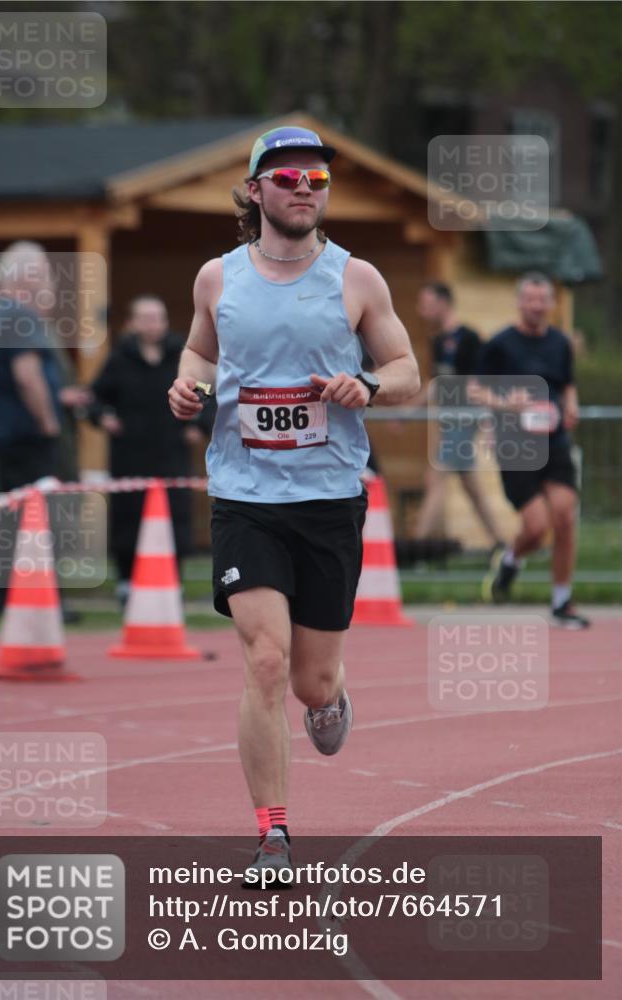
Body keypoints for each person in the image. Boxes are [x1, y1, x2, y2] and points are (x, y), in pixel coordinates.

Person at [168, 125, 420, 882]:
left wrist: (366, 384)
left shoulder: (357, 278)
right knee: (266, 660)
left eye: (316, 178)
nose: (304, 187)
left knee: (311, 681)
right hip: (244, 495)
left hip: (328, 497)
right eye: (286, 178)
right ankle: (272, 835)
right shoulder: (217, 278)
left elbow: (406, 370)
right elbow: (200, 352)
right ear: (255, 191)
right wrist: (188, 385)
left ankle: (331, 696)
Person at [476, 273, 589, 628]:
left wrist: (572, 405)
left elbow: (568, 384)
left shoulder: (560, 343)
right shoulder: (500, 344)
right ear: (519, 302)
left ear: (552, 304)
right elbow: (474, 390)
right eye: (531, 299)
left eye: (543, 300)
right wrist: (507, 405)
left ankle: (562, 601)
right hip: (516, 445)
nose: (537, 306)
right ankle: (511, 558)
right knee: (537, 528)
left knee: (565, 516)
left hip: (555, 441)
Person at [89, 296, 212, 605]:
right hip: (130, 454)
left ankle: (174, 580)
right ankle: (126, 581)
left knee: (176, 515)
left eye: (157, 317)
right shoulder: (119, 358)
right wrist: (103, 417)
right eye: (145, 318)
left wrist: (200, 425)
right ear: (132, 323)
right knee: (128, 517)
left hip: (172, 453)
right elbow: (95, 398)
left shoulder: (181, 355)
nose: (152, 324)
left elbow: (207, 391)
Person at [0, 242, 63, 614]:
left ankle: (11, 599)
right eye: (42, 273)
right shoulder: (17, 315)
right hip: (26, 437)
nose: (48, 282)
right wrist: (48, 423)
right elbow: (27, 376)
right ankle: (32, 599)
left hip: (8, 434)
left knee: (11, 519)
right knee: (33, 520)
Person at [412, 282, 505, 552]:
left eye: (426, 305)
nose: (421, 311)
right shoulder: (437, 341)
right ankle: (501, 543)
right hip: (449, 421)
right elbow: (436, 384)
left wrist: (489, 423)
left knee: (436, 476)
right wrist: (407, 412)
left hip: (467, 419)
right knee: (469, 484)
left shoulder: (470, 339)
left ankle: (415, 549)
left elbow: (485, 383)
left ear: (443, 303)